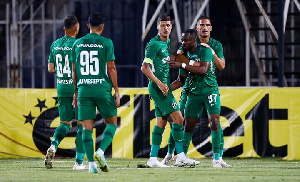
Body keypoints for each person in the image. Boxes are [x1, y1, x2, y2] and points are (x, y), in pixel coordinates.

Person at [163, 16, 230, 168]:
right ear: (197, 29)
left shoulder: (213, 46)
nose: (205, 28)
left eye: (207, 25)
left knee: (214, 121)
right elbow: (181, 78)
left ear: (211, 28)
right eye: (202, 25)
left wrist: (211, 53)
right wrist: (164, 89)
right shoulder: (186, 48)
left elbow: (219, 66)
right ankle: (172, 154)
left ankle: (218, 158)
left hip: (209, 89)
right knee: (181, 123)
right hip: (189, 89)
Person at [141, 15, 196, 168]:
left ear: (171, 27)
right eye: (163, 25)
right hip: (160, 88)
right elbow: (144, 68)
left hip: (161, 88)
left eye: (168, 25)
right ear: (157, 27)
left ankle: (152, 159)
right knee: (179, 118)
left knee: (161, 122)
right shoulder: (154, 45)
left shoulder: (167, 43)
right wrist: (158, 84)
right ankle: (181, 157)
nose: (166, 28)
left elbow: (164, 61)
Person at [71, 12, 120, 174]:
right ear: (102, 27)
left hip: (84, 89)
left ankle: (91, 164)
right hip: (102, 88)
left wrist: (76, 92)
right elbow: (111, 68)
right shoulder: (107, 42)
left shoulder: (77, 43)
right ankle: (100, 151)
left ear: (87, 26)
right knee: (112, 122)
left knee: (86, 128)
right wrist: (117, 90)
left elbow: (74, 71)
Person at [45, 15, 86, 170]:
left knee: (65, 123)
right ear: (77, 27)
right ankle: (79, 162)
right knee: (82, 124)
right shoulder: (78, 44)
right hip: (77, 89)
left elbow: (50, 68)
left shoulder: (55, 44)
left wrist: (63, 72)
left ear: (63, 28)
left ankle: (53, 146)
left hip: (62, 87)